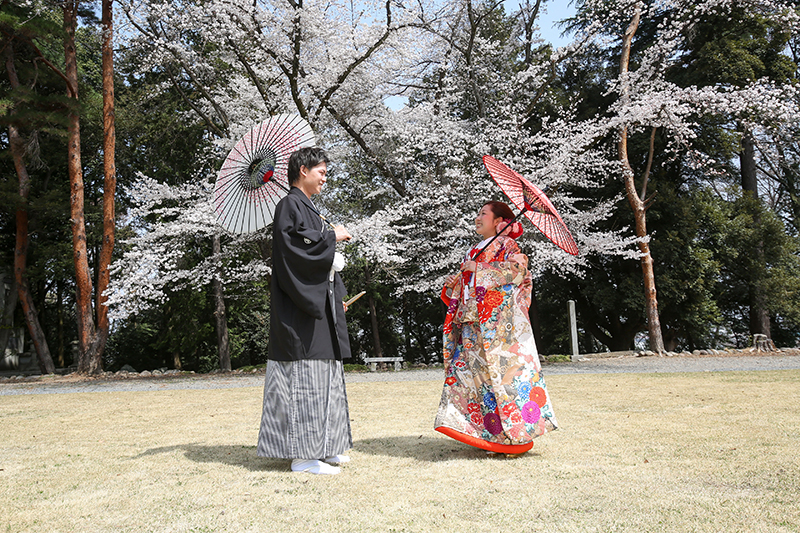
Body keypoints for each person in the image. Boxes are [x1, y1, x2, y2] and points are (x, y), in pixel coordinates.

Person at [257, 147, 353, 475]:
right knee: (305, 377)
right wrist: (331, 238)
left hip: (319, 304)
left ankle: (325, 446)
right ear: (302, 171)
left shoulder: (309, 207)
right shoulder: (288, 205)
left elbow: (314, 248)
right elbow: (293, 253)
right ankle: (303, 456)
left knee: (325, 374)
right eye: (321, 171)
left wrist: (334, 289)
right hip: (300, 310)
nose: (325, 176)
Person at [434, 200, 558, 454]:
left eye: (483, 214)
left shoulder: (508, 245)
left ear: (500, 222)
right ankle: (471, 428)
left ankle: (511, 434)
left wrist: (479, 268)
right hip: (470, 322)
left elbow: (517, 272)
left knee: (500, 378)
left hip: (495, 327)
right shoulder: (474, 250)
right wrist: (454, 284)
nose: (478, 218)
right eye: (478, 213)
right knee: (467, 375)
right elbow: (466, 287)